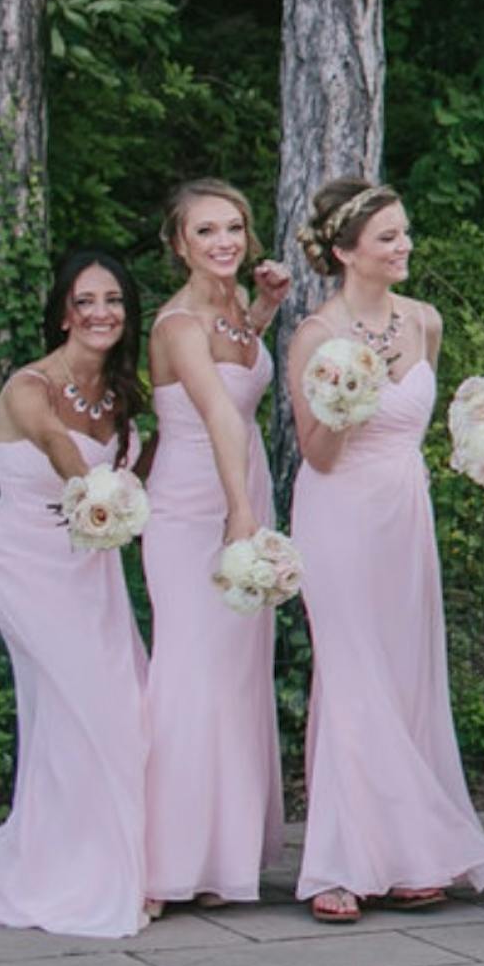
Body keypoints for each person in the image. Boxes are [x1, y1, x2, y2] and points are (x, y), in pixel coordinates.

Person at [284, 178, 484, 924]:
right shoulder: (315, 335)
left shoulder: (425, 321)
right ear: (346, 250)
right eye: (387, 236)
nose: (404, 244)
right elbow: (315, 454)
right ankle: (338, 863)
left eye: (405, 231)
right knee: (351, 675)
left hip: (403, 511)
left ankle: (410, 850)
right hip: (338, 511)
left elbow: (427, 425)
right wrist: (347, 397)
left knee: (405, 672)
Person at [0, 251, 158, 938]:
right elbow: (55, 444)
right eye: (86, 300)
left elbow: (149, 470)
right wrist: (98, 490)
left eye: (113, 300)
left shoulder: (124, 395)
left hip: (91, 575)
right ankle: (70, 876)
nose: (101, 312)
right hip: (25, 566)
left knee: (121, 706)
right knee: (85, 706)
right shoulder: (29, 386)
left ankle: (94, 860)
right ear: (64, 311)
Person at [140, 180, 291, 910]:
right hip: (195, 499)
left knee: (236, 671)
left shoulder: (231, 306)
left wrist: (264, 307)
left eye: (234, 226)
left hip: (242, 485)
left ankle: (220, 856)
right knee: (191, 668)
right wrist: (239, 516)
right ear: (179, 243)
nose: (225, 241)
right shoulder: (177, 325)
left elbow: (246, 363)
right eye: (207, 231)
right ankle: (166, 859)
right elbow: (221, 416)